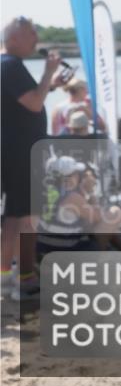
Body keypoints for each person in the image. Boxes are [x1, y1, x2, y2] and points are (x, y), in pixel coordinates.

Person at [1, 17, 68, 300]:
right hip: (19, 152)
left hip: (18, 149)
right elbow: (34, 103)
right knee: (19, 217)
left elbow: (27, 100)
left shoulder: (10, 66)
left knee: (21, 215)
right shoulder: (10, 66)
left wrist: (49, 84)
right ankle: (11, 277)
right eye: (32, 34)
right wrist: (48, 72)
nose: (37, 40)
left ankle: (17, 275)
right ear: (14, 37)